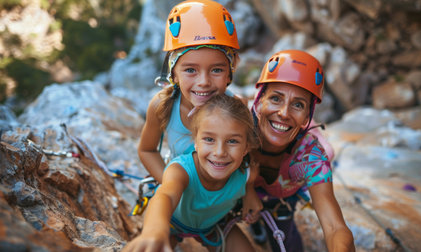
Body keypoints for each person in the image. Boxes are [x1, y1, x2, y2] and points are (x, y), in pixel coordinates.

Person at [122, 94, 261, 252]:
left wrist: (250, 194)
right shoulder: (181, 171)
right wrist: (155, 231)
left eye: (232, 141)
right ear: (195, 141)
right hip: (170, 222)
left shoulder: (248, 173)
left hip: (213, 225)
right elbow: (165, 195)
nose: (220, 152)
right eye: (209, 139)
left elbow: (249, 182)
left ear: (246, 147)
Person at [250, 50, 355, 252]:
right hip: (233, 192)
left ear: (308, 116)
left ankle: (261, 225)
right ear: (259, 101)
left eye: (298, 105)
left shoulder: (311, 158)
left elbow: (334, 227)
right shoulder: (235, 130)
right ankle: (256, 223)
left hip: (278, 199)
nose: (283, 113)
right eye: (276, 99)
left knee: (285, 243)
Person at [138, 0, 240, 183]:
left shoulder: (237, 109)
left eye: (216, 70)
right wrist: (169, 185)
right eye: (190, 70)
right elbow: (147, 150)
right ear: (173, 74)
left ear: (229, 74)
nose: (204, 82)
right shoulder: (161, 106)